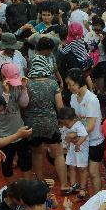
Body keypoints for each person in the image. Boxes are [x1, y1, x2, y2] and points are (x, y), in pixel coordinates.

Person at [24, 55, 69, 193]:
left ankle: (40, 183)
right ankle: (64, 185)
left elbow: (23, 104)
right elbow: (60, 107)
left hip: (32, 124)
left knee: (37, 153)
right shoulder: (52, 83)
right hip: (50, 123)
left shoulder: (26, 84)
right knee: (59, 154)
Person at [0, 62, 30, 183]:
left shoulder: (17, 84)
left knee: (25, 159)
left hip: (18, 128)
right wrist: (5, 93)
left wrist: (23, 89)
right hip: (3, 132)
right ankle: (13, 189)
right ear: (3, 77)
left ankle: (27, 185)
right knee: (7, 162)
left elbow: (24, 104)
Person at [66, 68, 105, 193]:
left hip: (95, 140)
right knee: (81, 168)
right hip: (82, 140)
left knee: (93, 172)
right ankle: (86, 194)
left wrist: (74, 133)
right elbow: (75, 119)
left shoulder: (91, 99)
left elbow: (91, 126)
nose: (68, 87)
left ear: (78, 82)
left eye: (70, 84)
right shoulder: (73, 97)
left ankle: (97, 198)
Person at [58, 107, 89, 198]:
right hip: (72, 150)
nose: (66, 125)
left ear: (73, 119)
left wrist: (78, 144)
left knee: (82, 169)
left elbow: (84, 135)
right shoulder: (65, 127)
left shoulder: (78, 125)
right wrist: (66, 145)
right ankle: (73, 185)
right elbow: (65, 138)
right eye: (63, 123)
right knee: (72, 166)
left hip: (81, 150)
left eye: (67, 123)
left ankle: (83, 188)